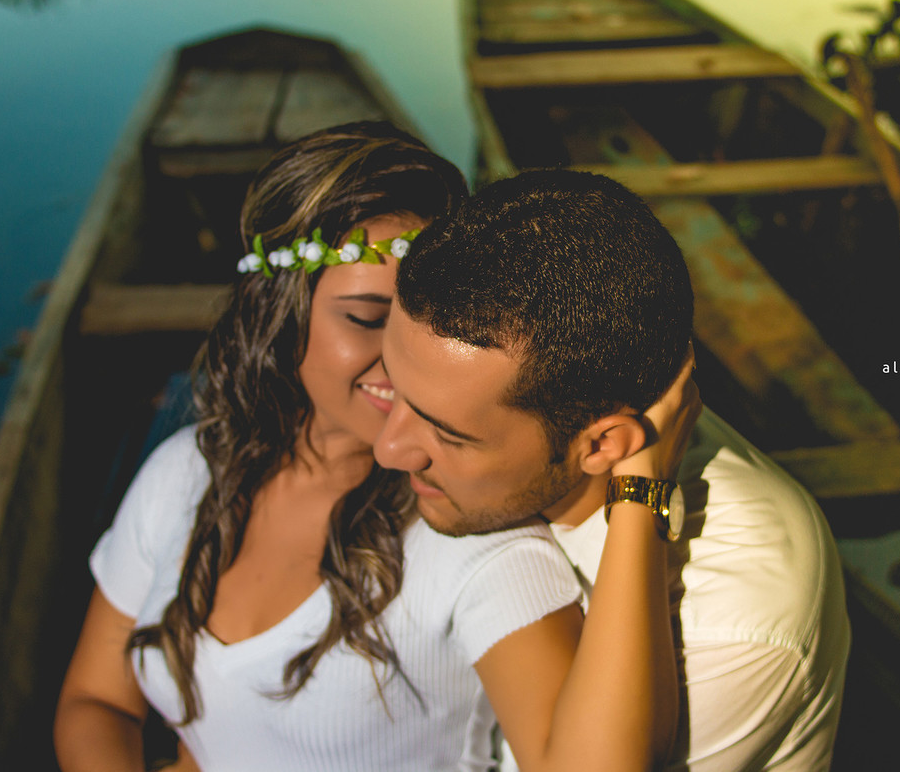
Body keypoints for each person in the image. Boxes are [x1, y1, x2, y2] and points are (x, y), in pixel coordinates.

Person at [54, 122, 690, 772]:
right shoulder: (185, 471)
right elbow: (96, 699)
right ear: (282, 310)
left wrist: (641, 490)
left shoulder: (462, 532)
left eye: (422, 316)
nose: (401, 350)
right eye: (366, 316)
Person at [374, 169, 852, 772]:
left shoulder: (736, 620)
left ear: (602, 446)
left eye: (447, 435)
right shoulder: (521, 427)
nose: (388, 449)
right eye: (393, 388)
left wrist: (640, 500)